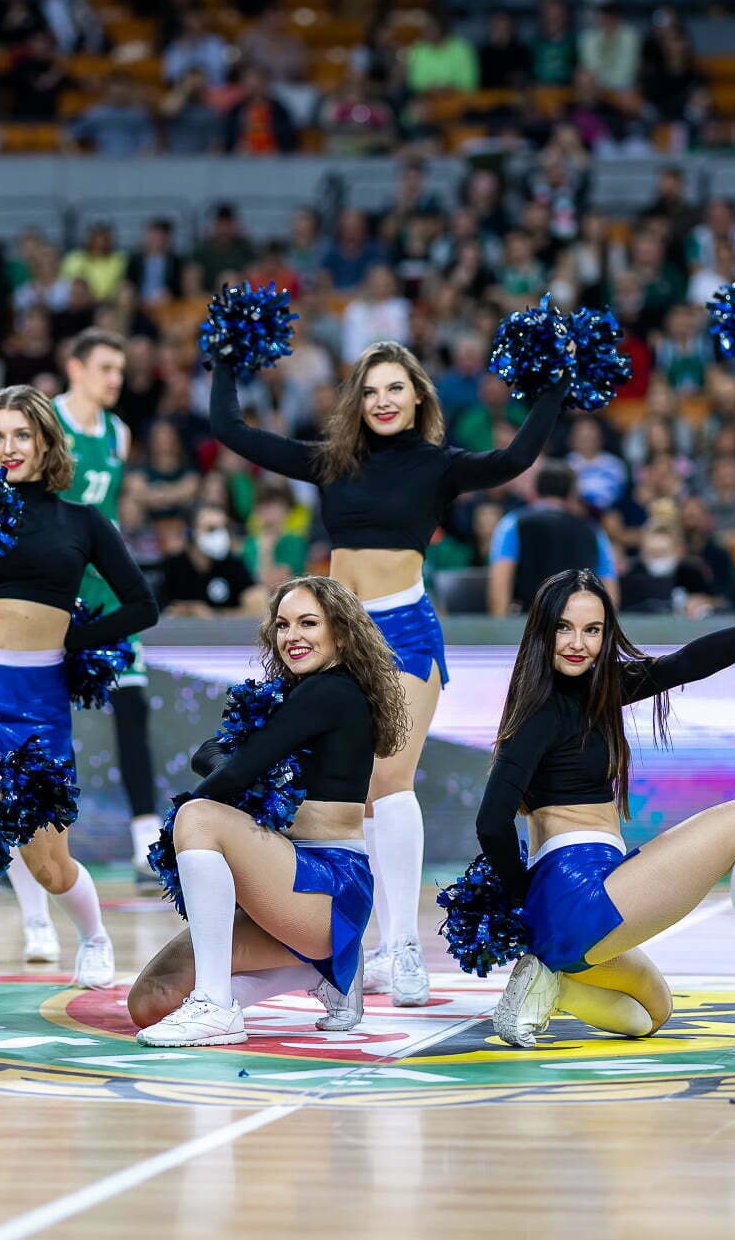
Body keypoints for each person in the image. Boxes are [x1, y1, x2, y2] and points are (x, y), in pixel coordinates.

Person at [210, 336, 565, 1006]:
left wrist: (552, 385)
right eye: (370, 390)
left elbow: (515, 459)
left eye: (395, 387)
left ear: (419, 397)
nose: (382, 400)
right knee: (351, 794)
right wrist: (227, 359)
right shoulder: (331, 460)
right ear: (356, 399)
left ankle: (404, 948)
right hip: (337, 637)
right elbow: (232, 430)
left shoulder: (438, 464)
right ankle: (373, 942)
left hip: (404, 629)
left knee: (388, 778)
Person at [480, 571, 735, 1052]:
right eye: (564, 628)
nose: (578, 643)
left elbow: (687, 664)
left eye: (592, 630)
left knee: (650, 1014)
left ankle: (553, 983)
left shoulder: (597, 690)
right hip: (576, 893)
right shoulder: (540, 713)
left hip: (580, 903)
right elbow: (490, 823)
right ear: (541, 630)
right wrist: (523, 908)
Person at [0, 387, 159, 991]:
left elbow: (142, 605)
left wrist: (77, 640)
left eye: (21, 435)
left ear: (47, 441)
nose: (9, 447)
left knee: (49, 864)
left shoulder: (83, 521)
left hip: (38, 702)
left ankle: (94, 937)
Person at [128, 577, 407, 1044]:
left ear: (341, 632)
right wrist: (232, 765)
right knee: (151, 1001)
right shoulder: (292, 694)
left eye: (308, 623)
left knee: (198, 815)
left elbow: (234, 772)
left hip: (328, 889)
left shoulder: (331, 691)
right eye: (282, 625)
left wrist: (190, 816)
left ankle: (216, 1005)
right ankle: (322, 973)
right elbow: (215, 753)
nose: (292, 636)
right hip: (281, 881)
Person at [52, 329, 167, 884]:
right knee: (44, 714)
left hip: (106, 589)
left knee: (132, 708)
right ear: (75, 368)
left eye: (120, 369)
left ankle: (146, 841)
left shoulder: (119, 432)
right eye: (105, 367)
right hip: (55, 588)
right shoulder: (47, 421)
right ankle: (32, 837)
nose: (116, 378)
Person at [487, 461, 615, 617]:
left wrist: (500, 625)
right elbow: (609, 587)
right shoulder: (592, 530)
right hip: (577, 624)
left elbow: (500, 581)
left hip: (528, 623)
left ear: (535, 490)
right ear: (572, 495)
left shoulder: (513, 523)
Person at [161, 504, 262, 615]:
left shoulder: (234, 564)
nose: (220, 535)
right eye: (211, 529)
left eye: (224, 528)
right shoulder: (173, 566)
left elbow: (257, 605)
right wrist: (190, 609)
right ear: (191, 532)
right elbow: (164, 611)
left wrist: (213, 614)